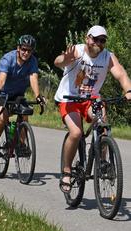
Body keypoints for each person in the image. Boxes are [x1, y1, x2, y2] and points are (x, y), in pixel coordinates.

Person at [54, 25, 131, 192]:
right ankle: (66, 172)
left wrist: (128, 90)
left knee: (103, 125)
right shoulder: (77, 51)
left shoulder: (107, 57)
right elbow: (58, 62)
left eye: (102, 40)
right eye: (95, 39)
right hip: (69, 98)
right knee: (76, 133)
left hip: (91, 99)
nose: (98, 43)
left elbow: (121, 74)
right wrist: (65, 59)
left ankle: (102, 162)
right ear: (87, 38)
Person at [0, 34, 46, 160]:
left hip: (17, 94)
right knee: (2, 115)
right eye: (23, 49)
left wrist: (38, 96)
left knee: (24, 115)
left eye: (29, 50)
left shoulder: (32, 61)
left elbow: (33, 78)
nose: (26, 52)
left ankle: (20, 144)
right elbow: (2, 79)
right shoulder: (8, 59)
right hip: (1, 92)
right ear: (18, 48)